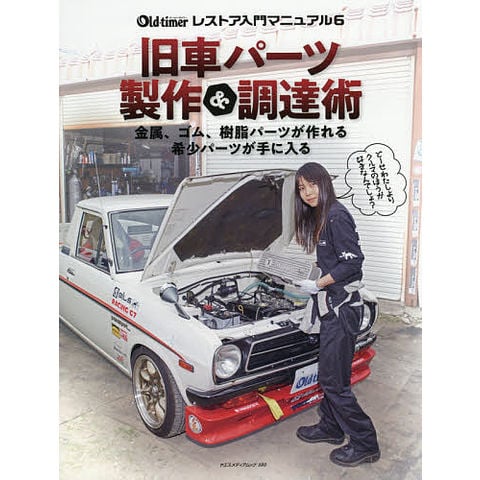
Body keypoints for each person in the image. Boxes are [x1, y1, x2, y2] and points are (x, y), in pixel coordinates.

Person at [294, 162, 380, 467]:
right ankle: (331, 427)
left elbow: (352, 263)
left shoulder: (336, 216)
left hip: (342, 310)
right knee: (332, 375)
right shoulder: (323, 215)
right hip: (333, 306)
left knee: (333, 382)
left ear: (324, 183)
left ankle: (365, 443)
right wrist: (316, 275)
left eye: (312, 184)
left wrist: (317, 284)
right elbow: (335, 261)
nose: (307, 192)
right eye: (301, 188)